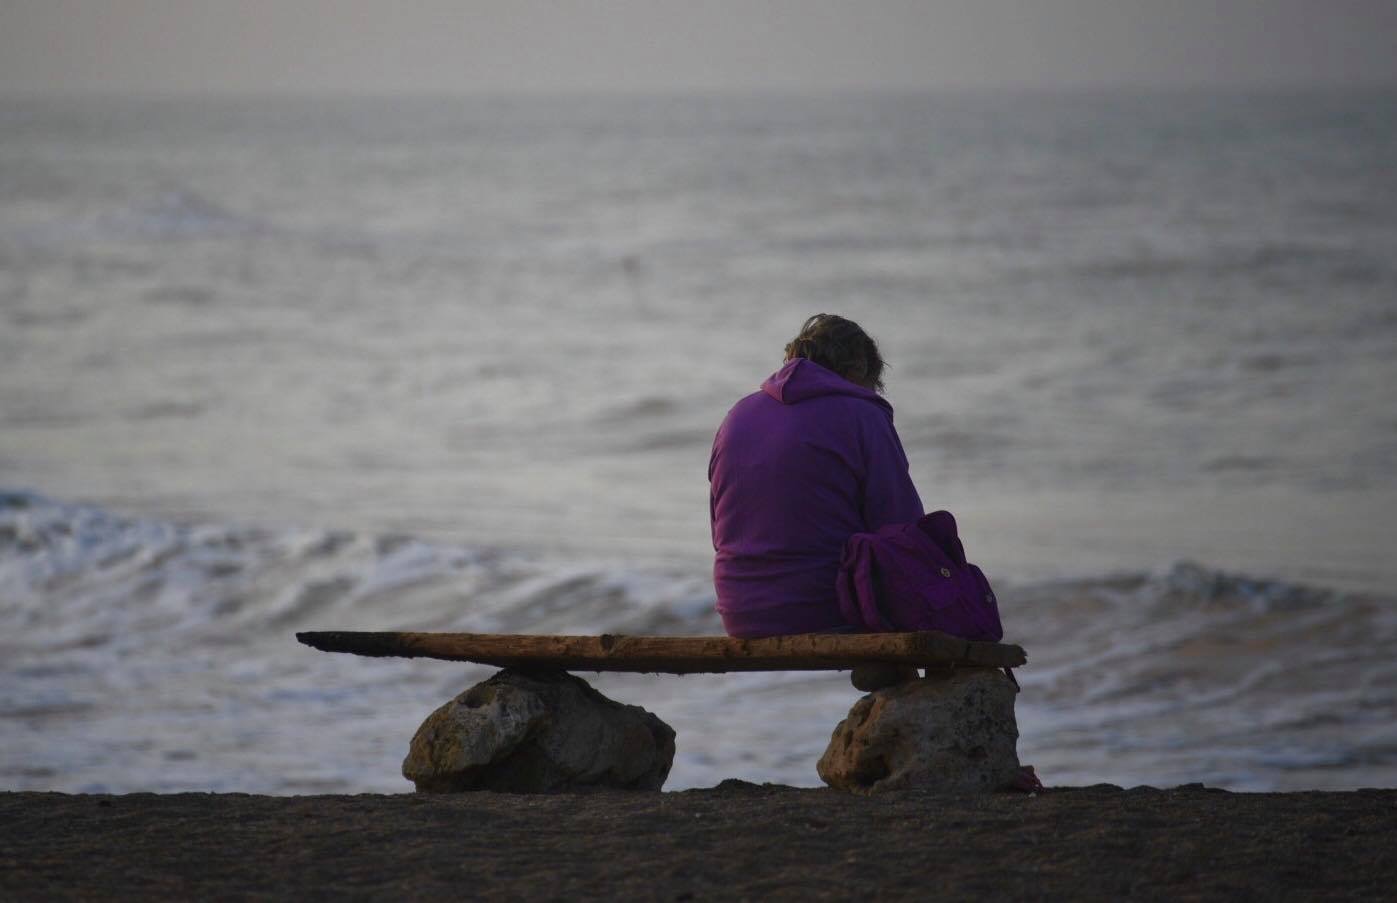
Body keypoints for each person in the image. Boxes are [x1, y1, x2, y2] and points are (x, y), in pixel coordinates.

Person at [708, 314, 925, 638]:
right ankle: (911, 683)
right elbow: (900, 525)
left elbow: (719, 530)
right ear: (858, 370)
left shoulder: (737, 415)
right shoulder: (862, 414)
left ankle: (894, 679)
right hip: (828, 609)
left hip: (741, 614)